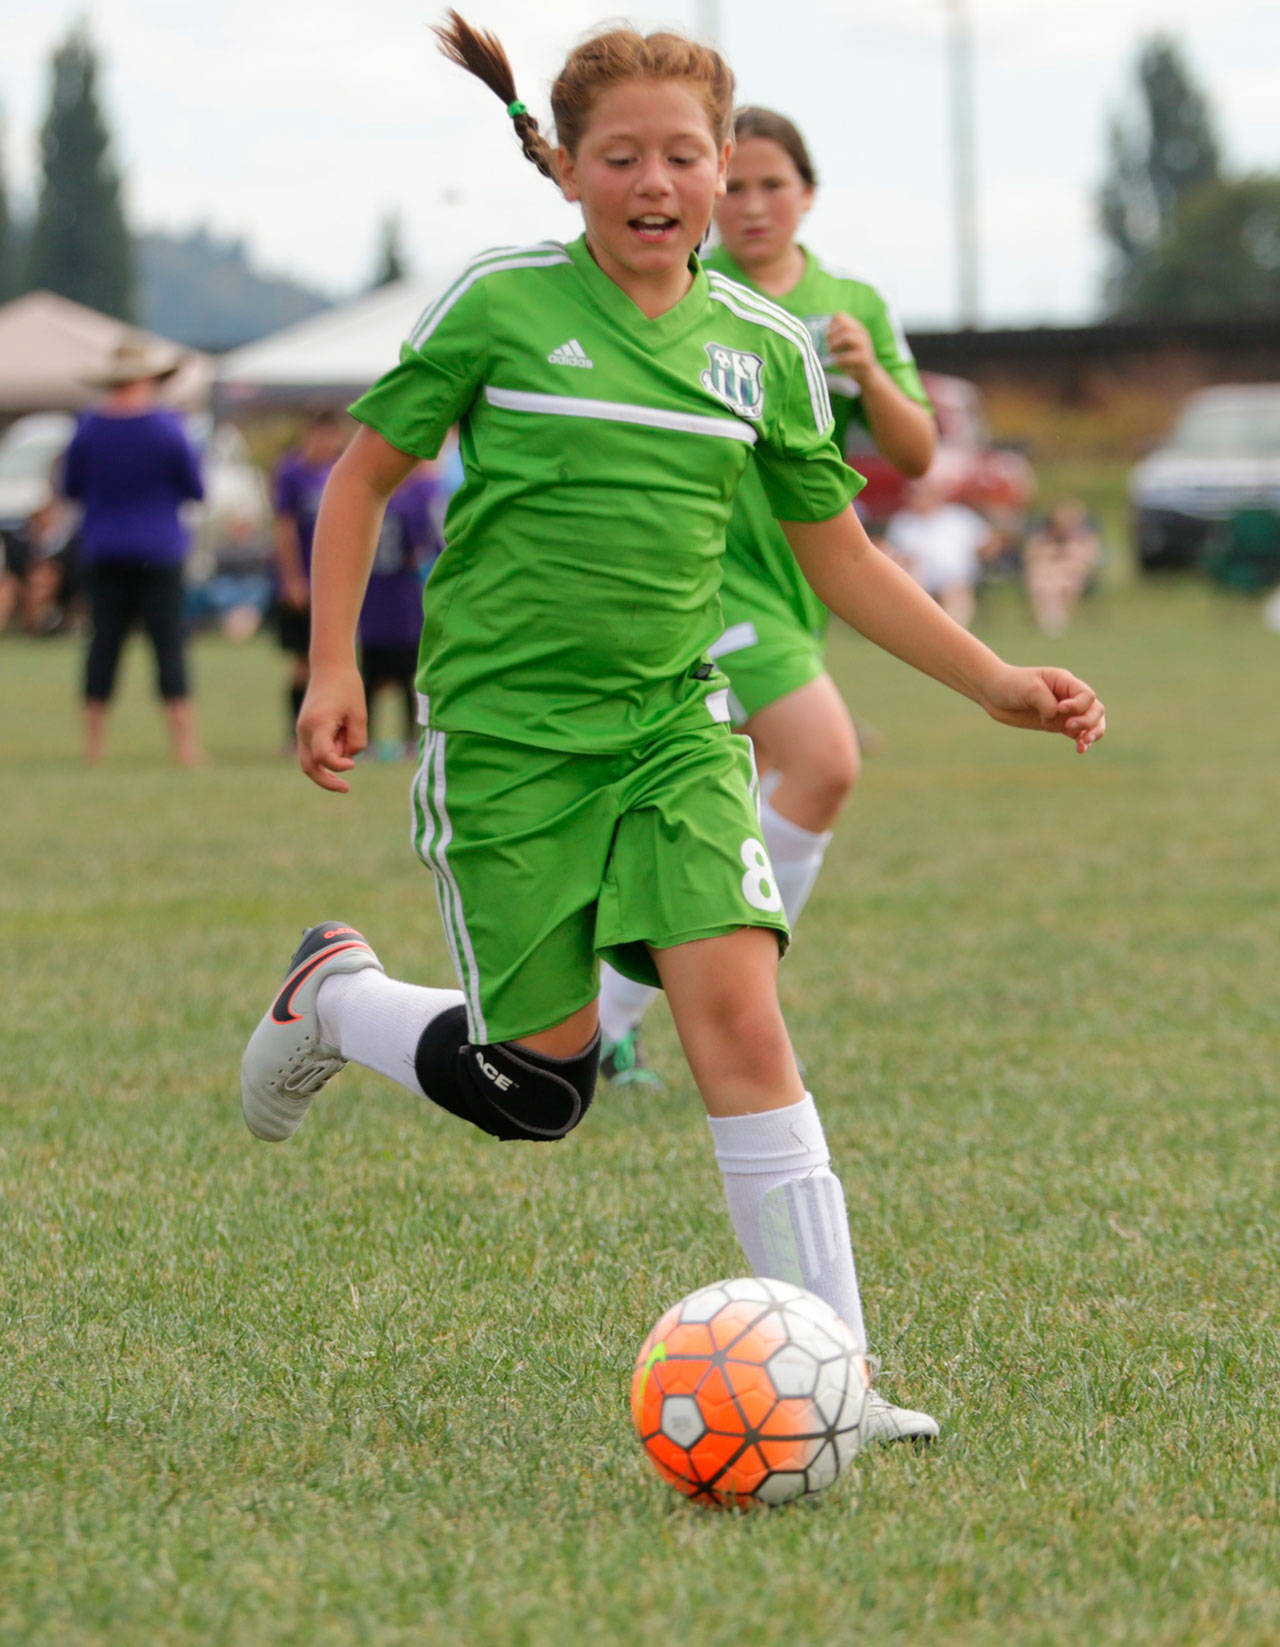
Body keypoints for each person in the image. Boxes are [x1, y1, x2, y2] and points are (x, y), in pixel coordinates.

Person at [240, 12, 1106, 1449]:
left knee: (739, 1018)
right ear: (568, 171)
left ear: (725, 172)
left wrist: (993, 677)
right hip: (508, 739)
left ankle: (839, 1371)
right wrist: (334, 664)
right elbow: (357, 481)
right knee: (537, 1089)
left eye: (686, 155)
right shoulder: (500, 306)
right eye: (624, 155)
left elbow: (842, 556)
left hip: (673, 728)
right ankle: (334, 992)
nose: (659, 180)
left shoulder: (762, 345)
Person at [597, 105, 936, 1086]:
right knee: (822, 763)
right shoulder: (684, 293)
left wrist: (869, 374)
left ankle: (613, 1010)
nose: (749, 205)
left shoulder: (847, 303)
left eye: (769, 185)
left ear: (807, 194)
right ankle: (632, 1011)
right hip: (706, 572)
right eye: (733, 184)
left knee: (717, 804)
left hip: (806, 579)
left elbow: (915, 452)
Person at [62, 336, 205, 766]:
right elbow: (195, 488)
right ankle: (184, 745)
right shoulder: (168, 428)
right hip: (160, 549)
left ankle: (94, 746)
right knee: (169, 646)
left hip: (103, 549)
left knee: (103, 644)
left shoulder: (88, 429)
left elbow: (71, 488)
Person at [272, 408, 350, 750]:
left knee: (338, 659)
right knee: (304, 661)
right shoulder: (291, 473)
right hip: (305, 582)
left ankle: (333, 732)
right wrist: (292, 578)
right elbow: (284, 529)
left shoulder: (343, 472)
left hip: (336, 585)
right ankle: (296, 732)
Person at [358, 460, 445, 757]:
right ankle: (410, 739)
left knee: (371, 676)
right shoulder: (412, 503)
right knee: (408, 676)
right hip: (402, 602)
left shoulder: (373, 502)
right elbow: (420, 549)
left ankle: (365, 740)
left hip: (374, 599)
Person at [881, 475, 999, 631]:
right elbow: (892, 553)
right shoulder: (902, 522)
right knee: (912, 583)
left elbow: (989, 543)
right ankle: (920, 630)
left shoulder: (959, 516)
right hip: (917, 574)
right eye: (914, 493)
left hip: (956, 574)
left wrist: (982, 556)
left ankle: (953, 632)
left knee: (954, 587)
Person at [1022, 499, 1101, 636]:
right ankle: (1049, 619)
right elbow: (1031, 555)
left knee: (1064, 583)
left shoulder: (1083, 535)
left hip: (1069, 573)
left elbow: (1089, 557)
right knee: (1043, 583)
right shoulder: (1043, 534)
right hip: (1046, 573)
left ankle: (1055, 620)